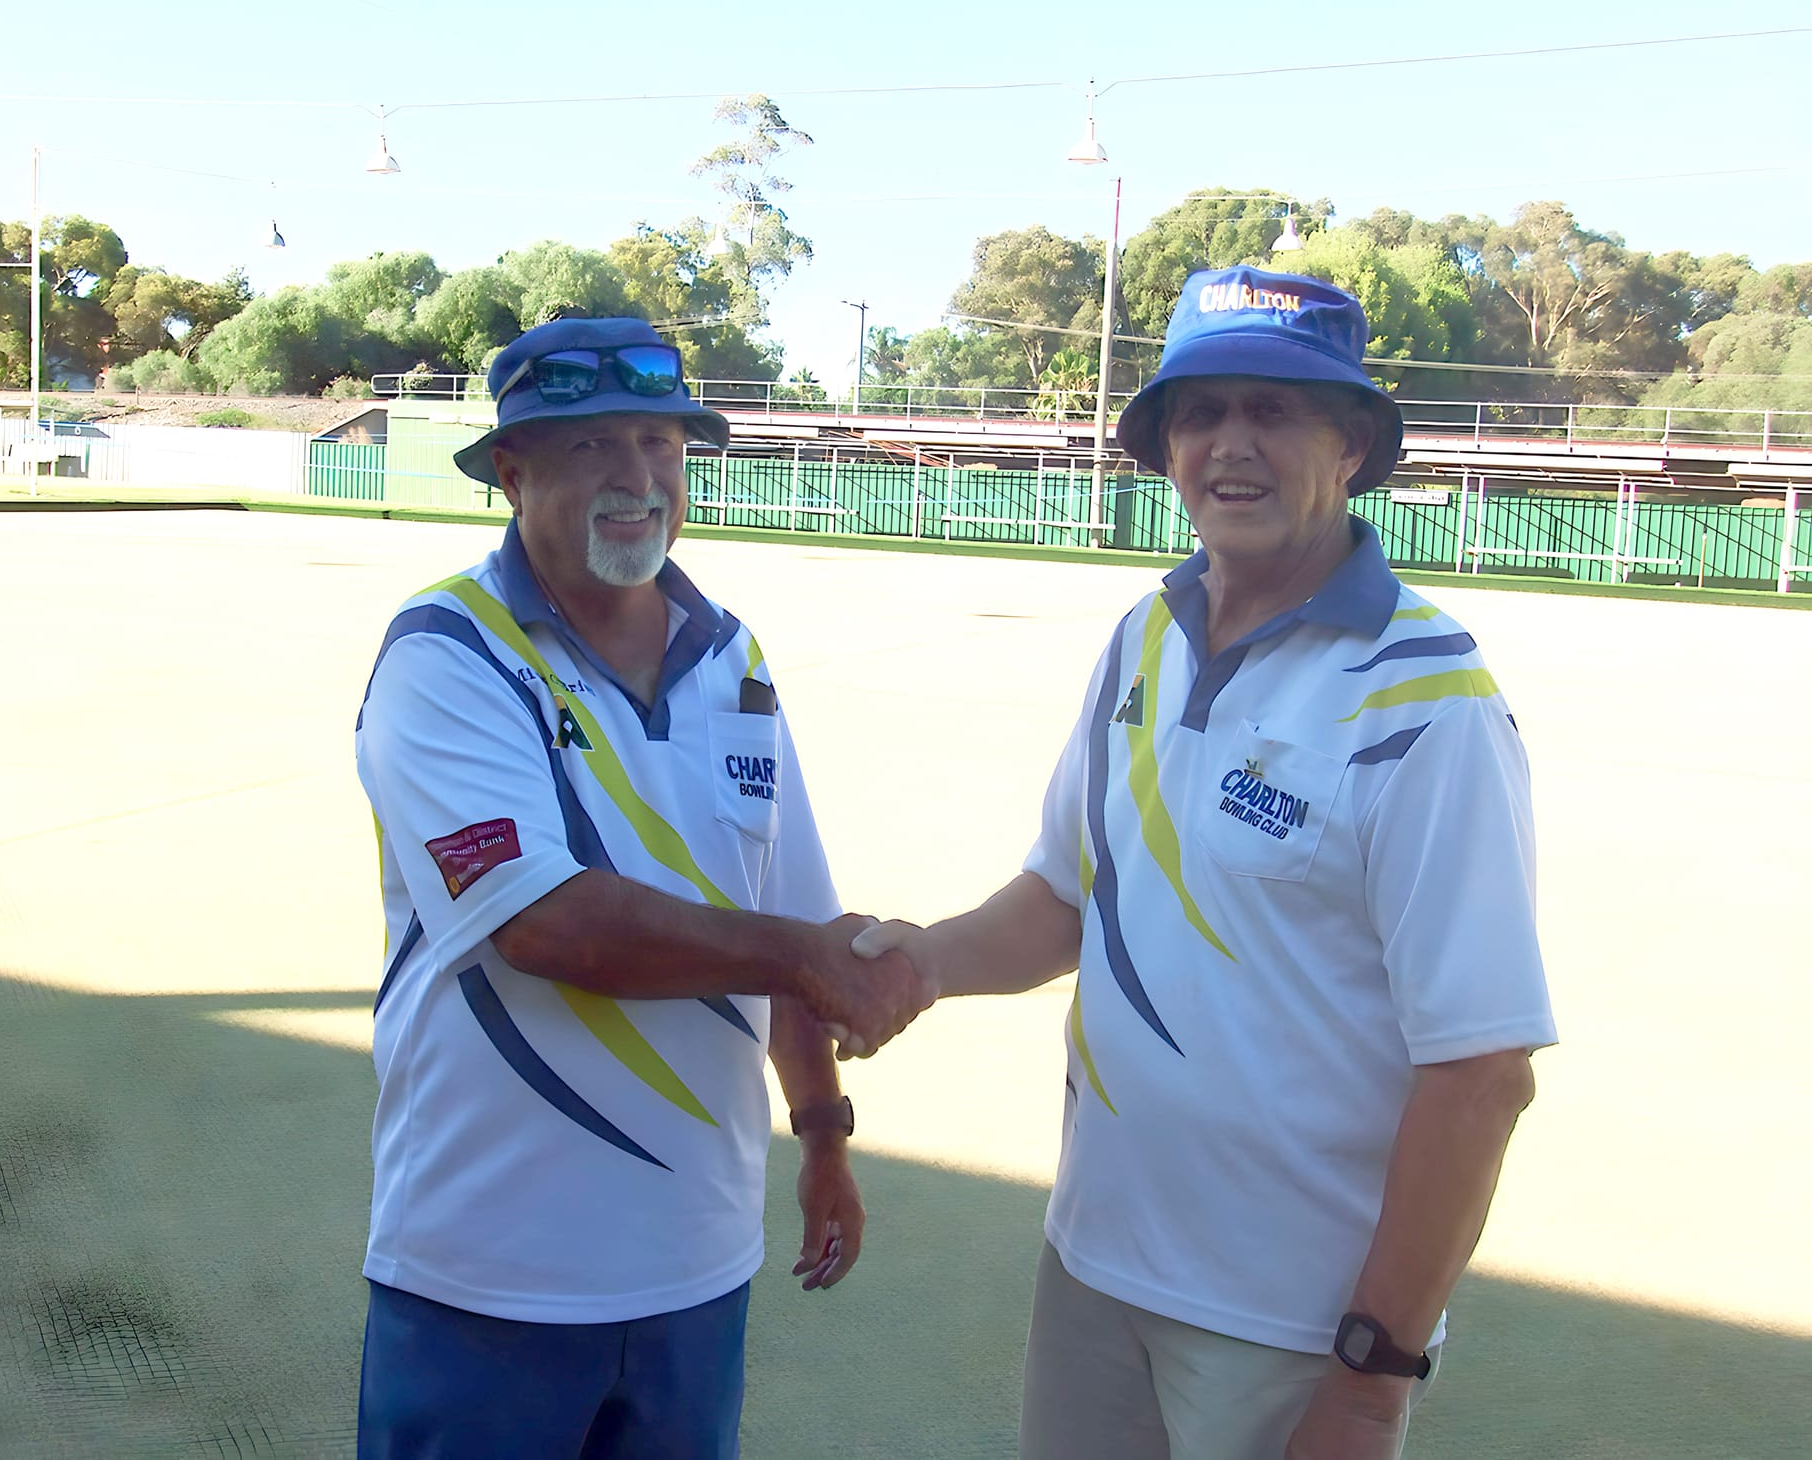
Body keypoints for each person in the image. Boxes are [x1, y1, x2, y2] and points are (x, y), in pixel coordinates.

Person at [850, 268, 1557, 1460]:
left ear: (1349, 445)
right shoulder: (1143, 636)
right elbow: (1064, 899)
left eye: (1273, 410)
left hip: (1288, 1327)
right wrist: (916, 962)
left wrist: (1369, 1382)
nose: (1229, 443)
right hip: (1093, 1264)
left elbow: (1480, 1074)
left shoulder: (1429, 701)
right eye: (1199, 412)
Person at [353, 316, 933, 1459]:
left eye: (659, 443)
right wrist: (801, 956)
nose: (636, 477)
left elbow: (785, 913)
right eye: (589, 445)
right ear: (511, 472)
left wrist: (822, 1135)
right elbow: (542, 923)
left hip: (696, 1268)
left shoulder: (733, 659)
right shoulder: (446, 652)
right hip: (488, 1272)